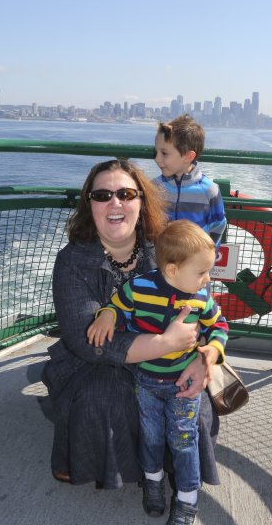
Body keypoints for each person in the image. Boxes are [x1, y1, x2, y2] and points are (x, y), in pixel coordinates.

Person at [40, 158, 221, 494]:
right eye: (102, 195)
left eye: (125, 194)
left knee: (188, 399)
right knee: (103, 398)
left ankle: (175, 470)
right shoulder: (72, 261)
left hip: (171, 361)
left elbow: (206, 313)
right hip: (96, 362)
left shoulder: (167, 249)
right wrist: (166, 343)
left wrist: (203, 360)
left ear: (142, 201)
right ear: (90, 205)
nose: (115, 203)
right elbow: (87, 341)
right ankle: (89, 457)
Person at [87, 219, 228, 524]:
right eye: (201, 272)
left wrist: (213, 350)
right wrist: (107, 315)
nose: (208, 279)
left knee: (183, 442)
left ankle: (187, 500)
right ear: (173, 270)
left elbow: (219, 325)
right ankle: (153, 482)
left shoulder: (201, 299)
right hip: (147, 383)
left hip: (183, 386)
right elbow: (117, 307)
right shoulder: (139, 288)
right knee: (150, 438)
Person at [154, 114, 227, 248]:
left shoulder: (209, 191)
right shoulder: (154, 187)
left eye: (164, 153)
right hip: (159, 258)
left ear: (188, 157)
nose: (157, 159)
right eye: (156, 152)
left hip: (195, 259)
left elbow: (218, 225)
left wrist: (207, 254)